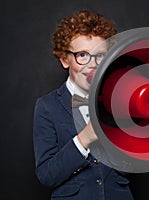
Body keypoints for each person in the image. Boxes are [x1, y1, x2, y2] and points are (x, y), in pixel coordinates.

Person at [33, 10, 134, 200]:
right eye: (82, 55)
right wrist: (84, 139)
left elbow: (129, 169)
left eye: (100, 55)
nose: (92, 64)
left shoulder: (118, 102)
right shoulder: (47, 106)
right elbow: (46, 175)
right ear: (65, 59)